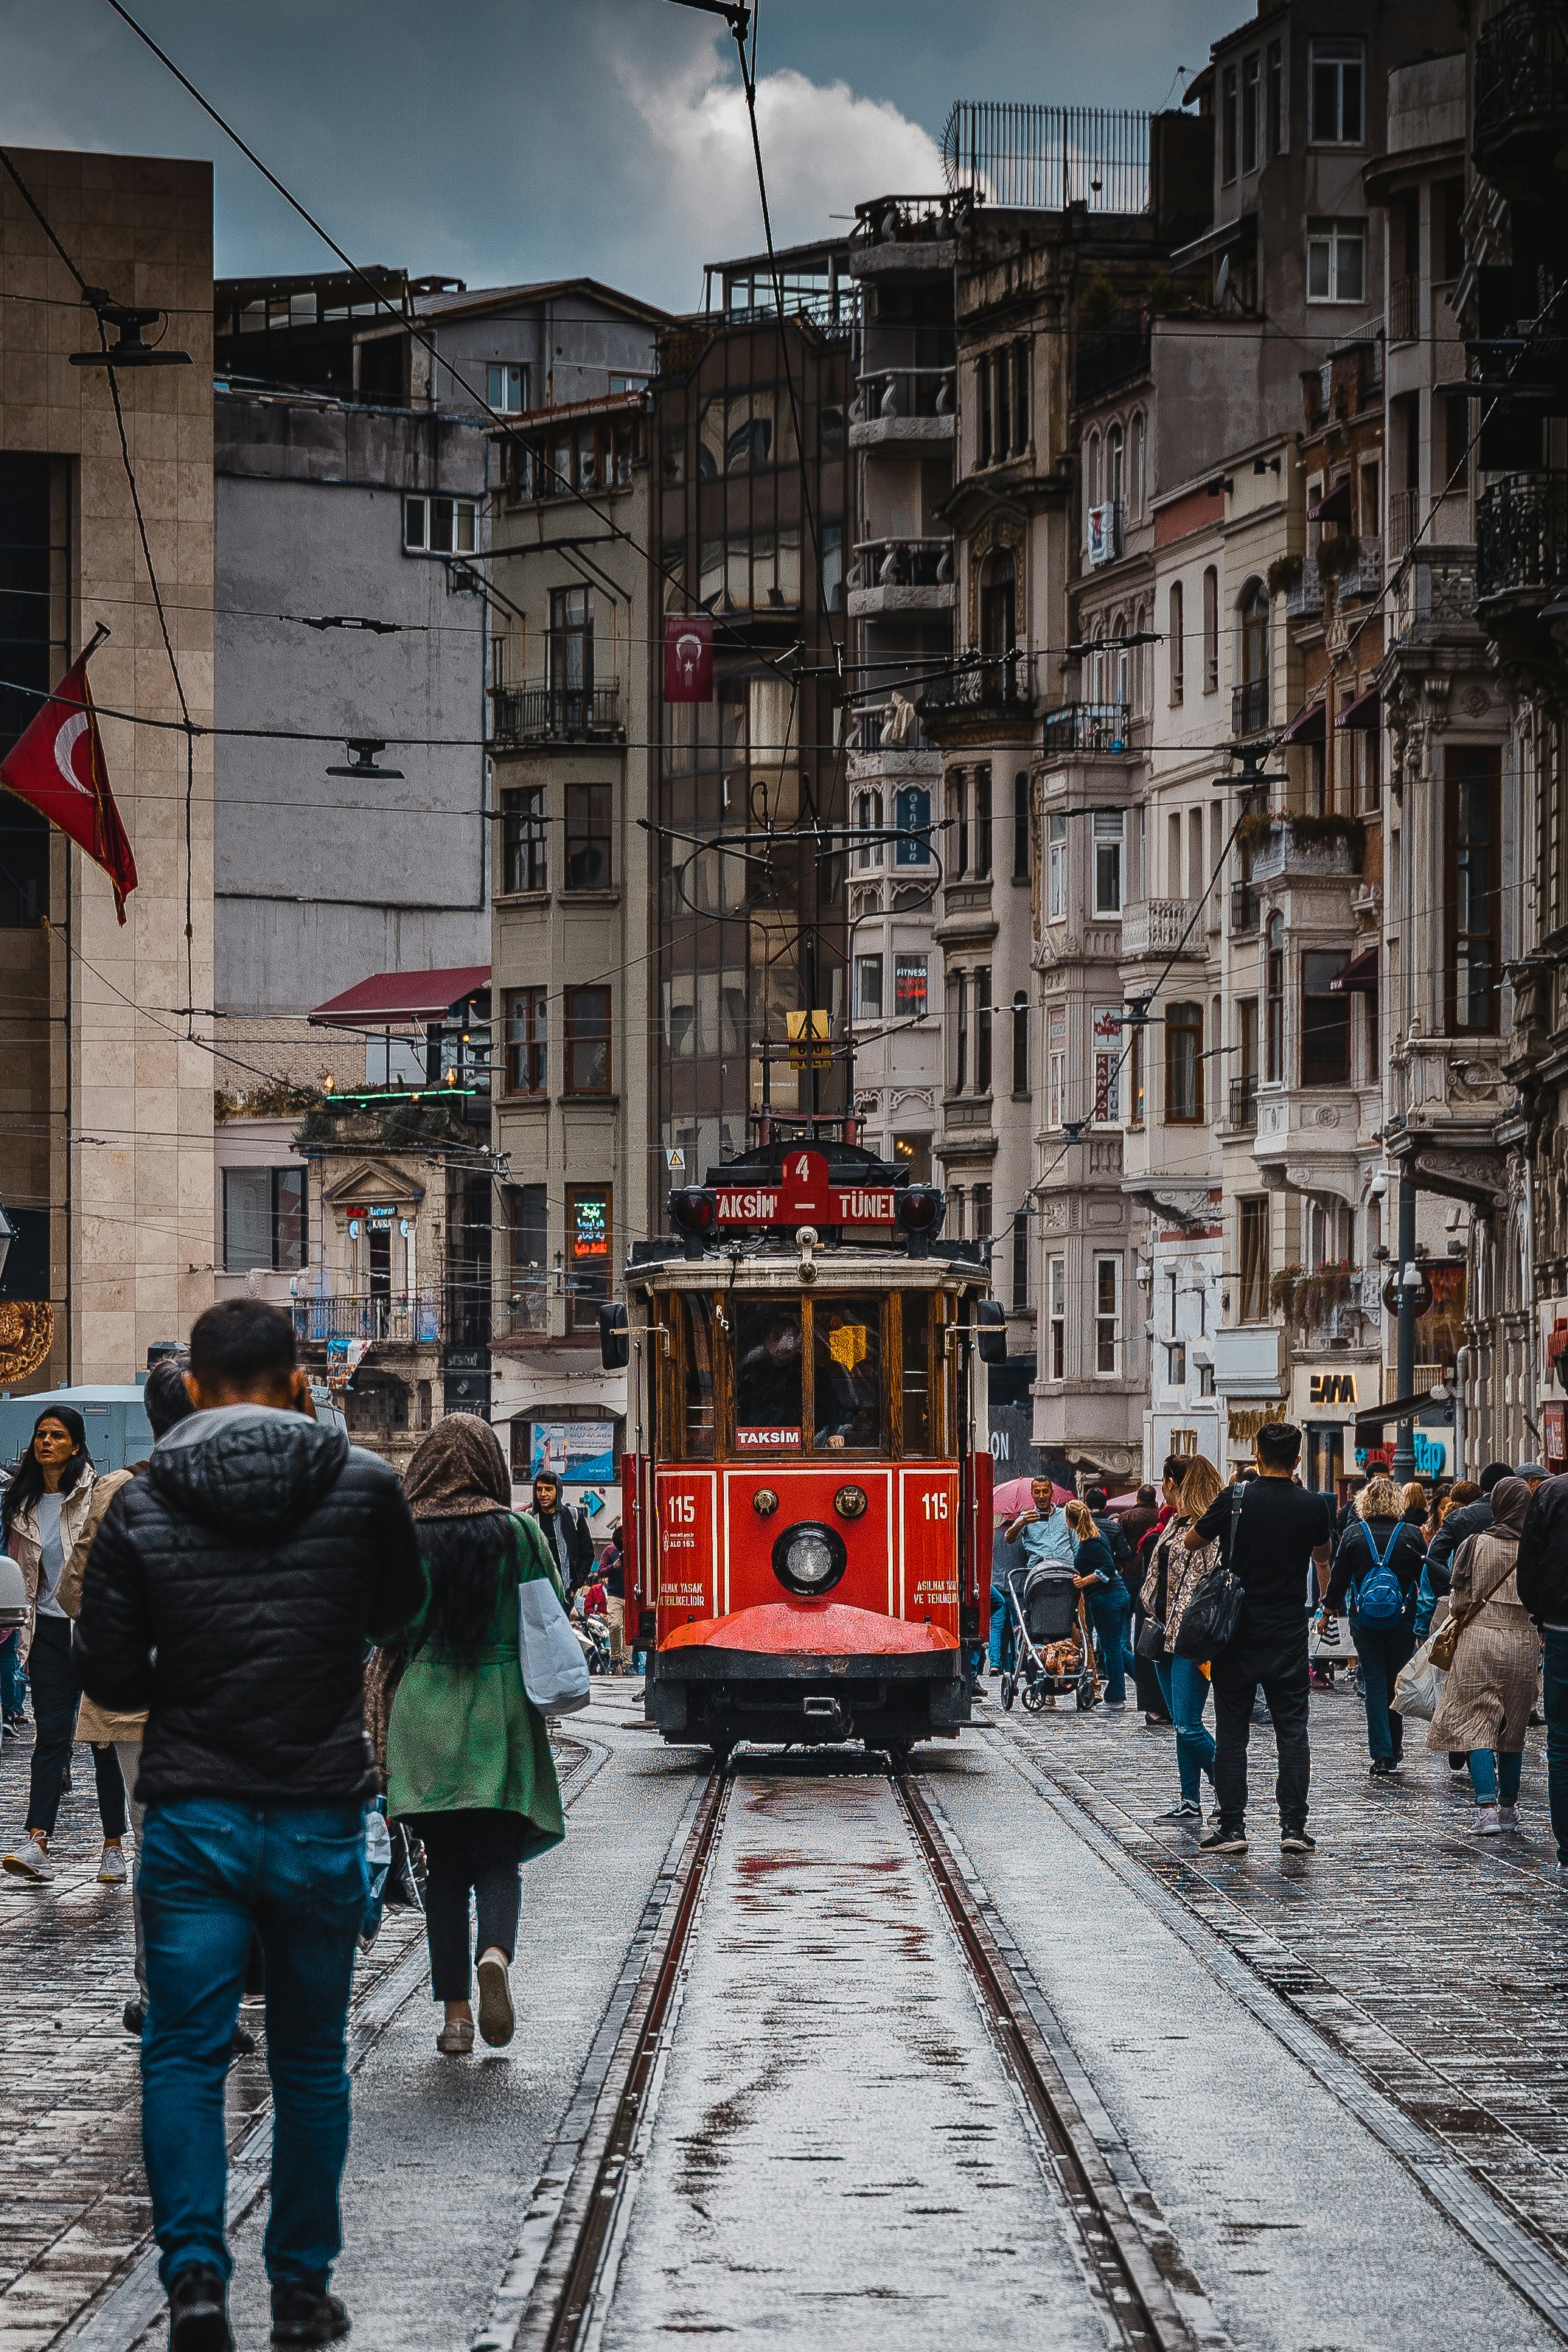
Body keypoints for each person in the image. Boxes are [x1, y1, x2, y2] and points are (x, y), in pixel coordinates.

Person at [74, 1299, 423, 2352]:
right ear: (292, 1378)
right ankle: (300, 2288)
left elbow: (108, 1669)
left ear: (198, 1384)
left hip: (192, 1809)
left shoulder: (140, 1503)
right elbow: (397, 1610)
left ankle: (192, 2283)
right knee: (313, 2058)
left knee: (183, 2052)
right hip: (318, 1801)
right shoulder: (362, 1484)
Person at [386, 1416, 565, 2058]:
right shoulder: (518, 1531)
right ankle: (495, 1952)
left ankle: (456, 2017)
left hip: (426, 1704)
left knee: (443, 1872)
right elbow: (552, 1606)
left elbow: (387, 1629)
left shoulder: (405, 1536)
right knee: (497, 1854)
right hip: (502, 1704)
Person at [56, 1358, 198, 2032]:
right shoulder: (252, 1485)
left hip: (138, 1698)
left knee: (157, 1844)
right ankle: (223, 1987)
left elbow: (73, 1593)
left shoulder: (118, 1491)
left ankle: (161, 1991)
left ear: (150, 1418)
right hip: (225, 1695)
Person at [1187, 1421, 1332, 1857]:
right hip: (1287, 1632)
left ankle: (1232, 1827)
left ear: (1256, 1454)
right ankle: (1293, 1826)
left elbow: (1193, 1541)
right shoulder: (1312, 1505)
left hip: (1236, 1633)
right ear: (1298, 1459)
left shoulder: (1235, 1498)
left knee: (1232, 1733)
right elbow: (1323, 1555)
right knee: (1293, 1731)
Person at [1, 1406, 130, 1885]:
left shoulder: (96, 1496)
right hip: (50, 1634)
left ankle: (113, 1847)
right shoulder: (22, 1503)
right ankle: (37, 1841)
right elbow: (22, 1574)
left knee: (101, 1742)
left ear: (76, 1445)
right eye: (40, 1435)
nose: (46, 1442)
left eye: (57, 1435)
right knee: (50, 1739)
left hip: (95, 1632)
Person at [1429, 1476, 1539, 1833]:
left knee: (1476, 1724)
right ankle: (1509, 1807)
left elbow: (1459, 1600)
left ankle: (1486, 1808)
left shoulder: (1476, 1544)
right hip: (1523, 1641)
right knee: (1514, 1725)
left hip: (1479, 1641)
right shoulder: (1537, 1548)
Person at [1322, 1475, 1426, 1776]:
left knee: (1375, 1683)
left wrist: (1328, 1612)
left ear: (1364, 1503)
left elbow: (1339, 1578)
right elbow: (1425, 1580)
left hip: (1365, 1620)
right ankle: (1395, 1745)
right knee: (1396, 1681)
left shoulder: (1355, 1534)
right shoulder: (1411, 1534)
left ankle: (1381, 1754)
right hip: (1402, 1618)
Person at [1142, 1456, 1223, 1822]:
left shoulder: (1209, 1528)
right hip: (1163, 1632)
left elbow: (1200, 1585)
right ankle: (1189, 1799)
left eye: (1167, 1481)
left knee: (1189, 1723)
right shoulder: (1176, 1521)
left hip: (1191, 1638)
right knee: (1180, 1721)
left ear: (1180, 1483)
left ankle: (1227, 1782)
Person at [1516, 1469, 1568, 1868]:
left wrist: (1539, 1614)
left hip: (1560, 1626)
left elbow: (1528, 1567)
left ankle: (1567, 1843)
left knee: (1562, 1741)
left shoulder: (1552, 1492)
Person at [1065, 1500, 1132, 1706]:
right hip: (1117, 1595)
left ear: (1070, 1520)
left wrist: (1085, 1580)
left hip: (1106, 1598)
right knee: (1117, 1648)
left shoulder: (1090, 1542)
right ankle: (1150, 1682)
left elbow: (1108, 1568)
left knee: (1111, 1648)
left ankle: (1116, 1694)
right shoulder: (1097, 1535)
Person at [529, 1470, 593, 1594]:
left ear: (558, 1491)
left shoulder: (574, 1516)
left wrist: (575, 1585)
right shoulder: (530, 1519)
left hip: (564, 1591)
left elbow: (588, 1554)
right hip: (537, 1592)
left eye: (548, 1489)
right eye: (539, 1489)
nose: (543, 1494)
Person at [1004, 1477, 1076, 1571]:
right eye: (1037, 1492)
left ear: (1052, 1492)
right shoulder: (1026, 1517)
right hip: (1039, 1572)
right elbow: (1008, 1538)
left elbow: (1076, 1546)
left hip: (1066, 1570)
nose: (1041, 1496)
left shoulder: (1066, 1515)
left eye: (1045, 1491)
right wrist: (1022, 1523)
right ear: (1032, 1494)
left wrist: (1077, 1569)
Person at [598, 1522, 627, 1669]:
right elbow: (600, 1571)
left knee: (629, 1630)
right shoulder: (609, 1550)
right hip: (615, 1593)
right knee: (615, 1625)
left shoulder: (635, 1549)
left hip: (631, 1595)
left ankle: (628, 1664)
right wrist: (613, 1566)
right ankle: (615, 1657)